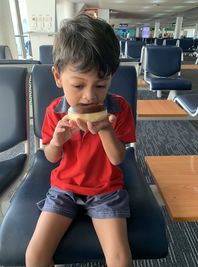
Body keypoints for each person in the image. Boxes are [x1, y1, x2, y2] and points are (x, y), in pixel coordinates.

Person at [26, 13, 136, 267]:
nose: (89, 96)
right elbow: (51, 158)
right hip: (64, 189)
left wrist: (106, 131)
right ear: (57, 77)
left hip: (106, 189)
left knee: (120, 259)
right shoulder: (55, 111)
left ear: (110, 78)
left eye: (100, 85)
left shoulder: (119, 108)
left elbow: (119, 159)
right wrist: (57, 141)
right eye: (78, 85)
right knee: (34, 256)